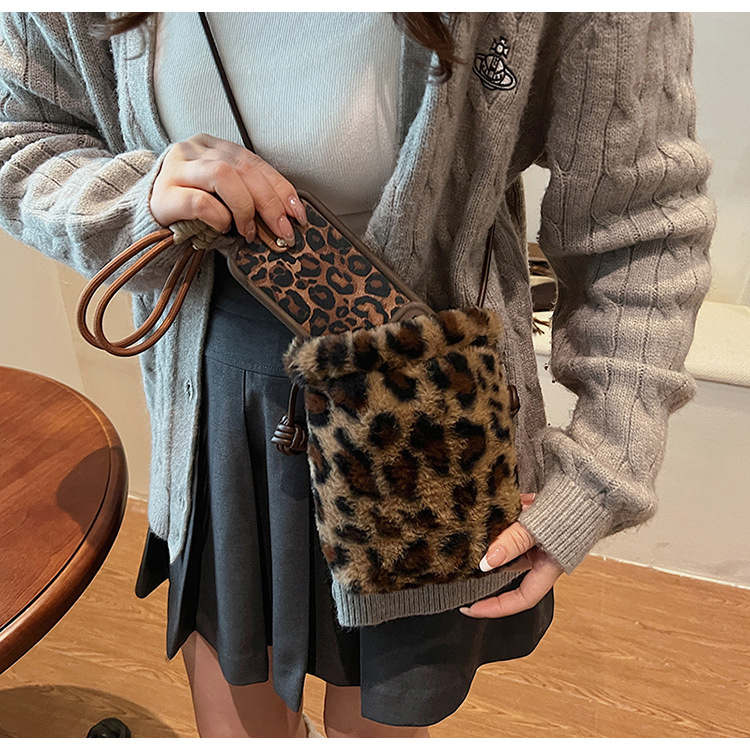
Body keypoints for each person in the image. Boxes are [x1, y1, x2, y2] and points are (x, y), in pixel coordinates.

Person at [0, 12, 715, 739]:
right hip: (218, 419)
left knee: (381, 722)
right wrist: (136, 197)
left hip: (428, 428)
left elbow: (642, 219)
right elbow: (19, 134)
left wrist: (602, 468)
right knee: (237, 721)